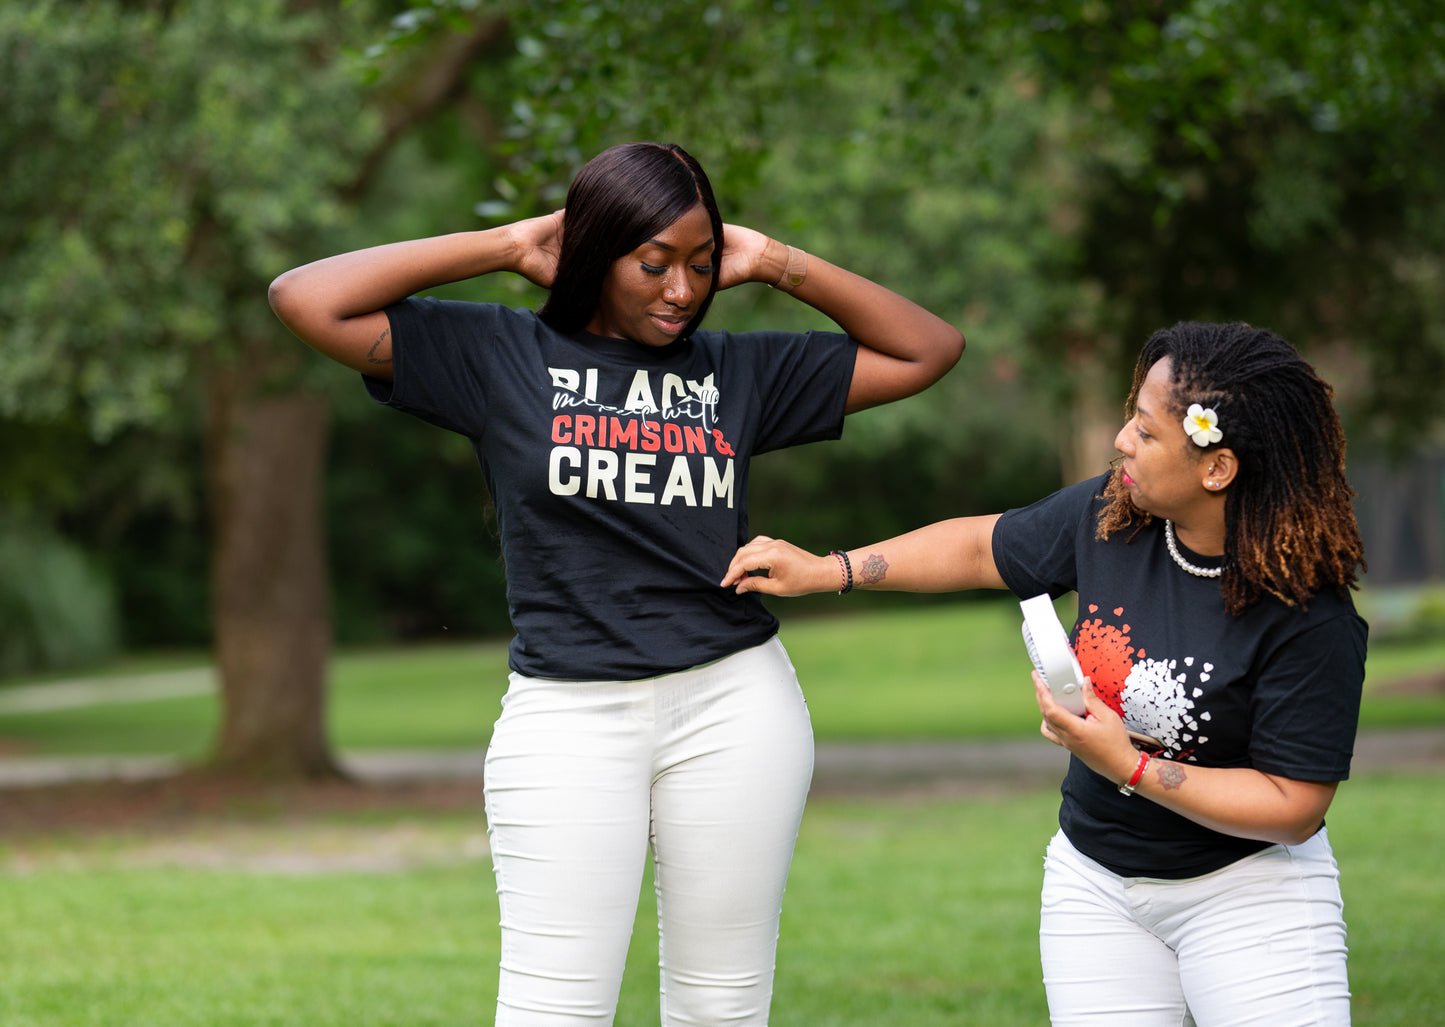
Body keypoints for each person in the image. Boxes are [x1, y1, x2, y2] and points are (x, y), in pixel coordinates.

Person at [268, 141, 964, 1025]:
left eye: (702, 265)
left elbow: (927, 349)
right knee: (551, 1010)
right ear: (596, 254)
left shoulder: (737, 372)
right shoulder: (499, 356)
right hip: (567, 716)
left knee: (722, 1008)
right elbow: (303, 298)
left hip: (733, 709)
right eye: (654, 263)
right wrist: (509, 243)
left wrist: (777, 262)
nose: (682, 290)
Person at [723, 321, 1367, 1027]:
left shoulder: (1307, 612)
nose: (1121, 439)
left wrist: (1127, 764)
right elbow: (976, 548)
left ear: (1216, 468)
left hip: (1247, 893)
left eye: (1147, 433)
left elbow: (1293, 806)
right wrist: (830, 569)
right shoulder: (1109, 517)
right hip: (1095, 887)